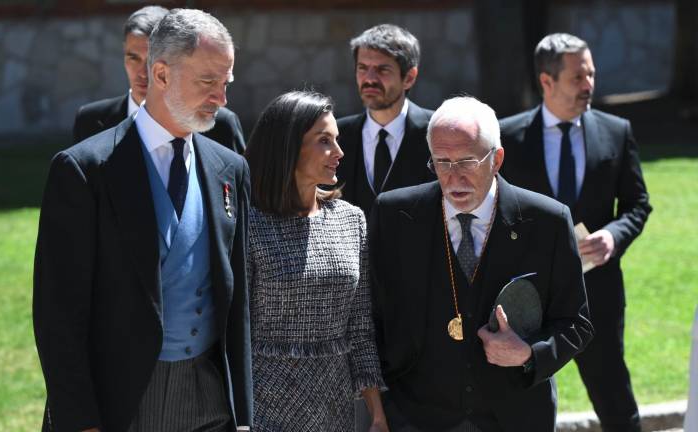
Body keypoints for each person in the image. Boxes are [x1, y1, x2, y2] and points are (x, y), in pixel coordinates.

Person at [33, 9, 251, 432]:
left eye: (225, 84)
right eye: (208, 82)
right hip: (121, 400)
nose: (221, 99)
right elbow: (58, 313)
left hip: (210, 399)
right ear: (162, 75)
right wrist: (80, 420)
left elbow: (237, 301)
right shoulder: (85, 170)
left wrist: (242, 414)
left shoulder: (230, 169)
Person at [370, 96, 594, 431]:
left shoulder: (547, 221)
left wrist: (529, 354)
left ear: (497, 158)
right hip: (416, 415)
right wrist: (379, 410)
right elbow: (371, 318)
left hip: (514, 416)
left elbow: (576, 322)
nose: (453, 176)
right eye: (442, 162)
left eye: (466, 162)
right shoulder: (394, 215)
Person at [499, 33, 652, 432]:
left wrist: (615, 235)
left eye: (591, 75)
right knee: (521, 403)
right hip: (527, 295)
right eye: (577, 77)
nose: (588, 85)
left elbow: (637, 204)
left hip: (596, 293)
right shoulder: (507, 138)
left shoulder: (617, 132)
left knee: (614, 398)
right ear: (546, 82)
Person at [244, 90, 388, 432]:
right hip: (263, 409)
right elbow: (235, 333)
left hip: (334, 409)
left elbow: (360, 326)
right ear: (288, 146)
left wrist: (378, 415)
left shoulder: (351, 220)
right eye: (325, 141)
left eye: (336, 140)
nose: (339, 153)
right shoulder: (248, 224)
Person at [72, 5, 246, 154]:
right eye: (133, 57)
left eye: (150, 59)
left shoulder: (220, 123)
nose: (143, 72)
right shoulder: (90, 120)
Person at [336, 24, 435, 218]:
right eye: (362, 68)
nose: (370, 79)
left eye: (383, 70)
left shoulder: (438, 132)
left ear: (409, 77)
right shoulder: (336, 136)